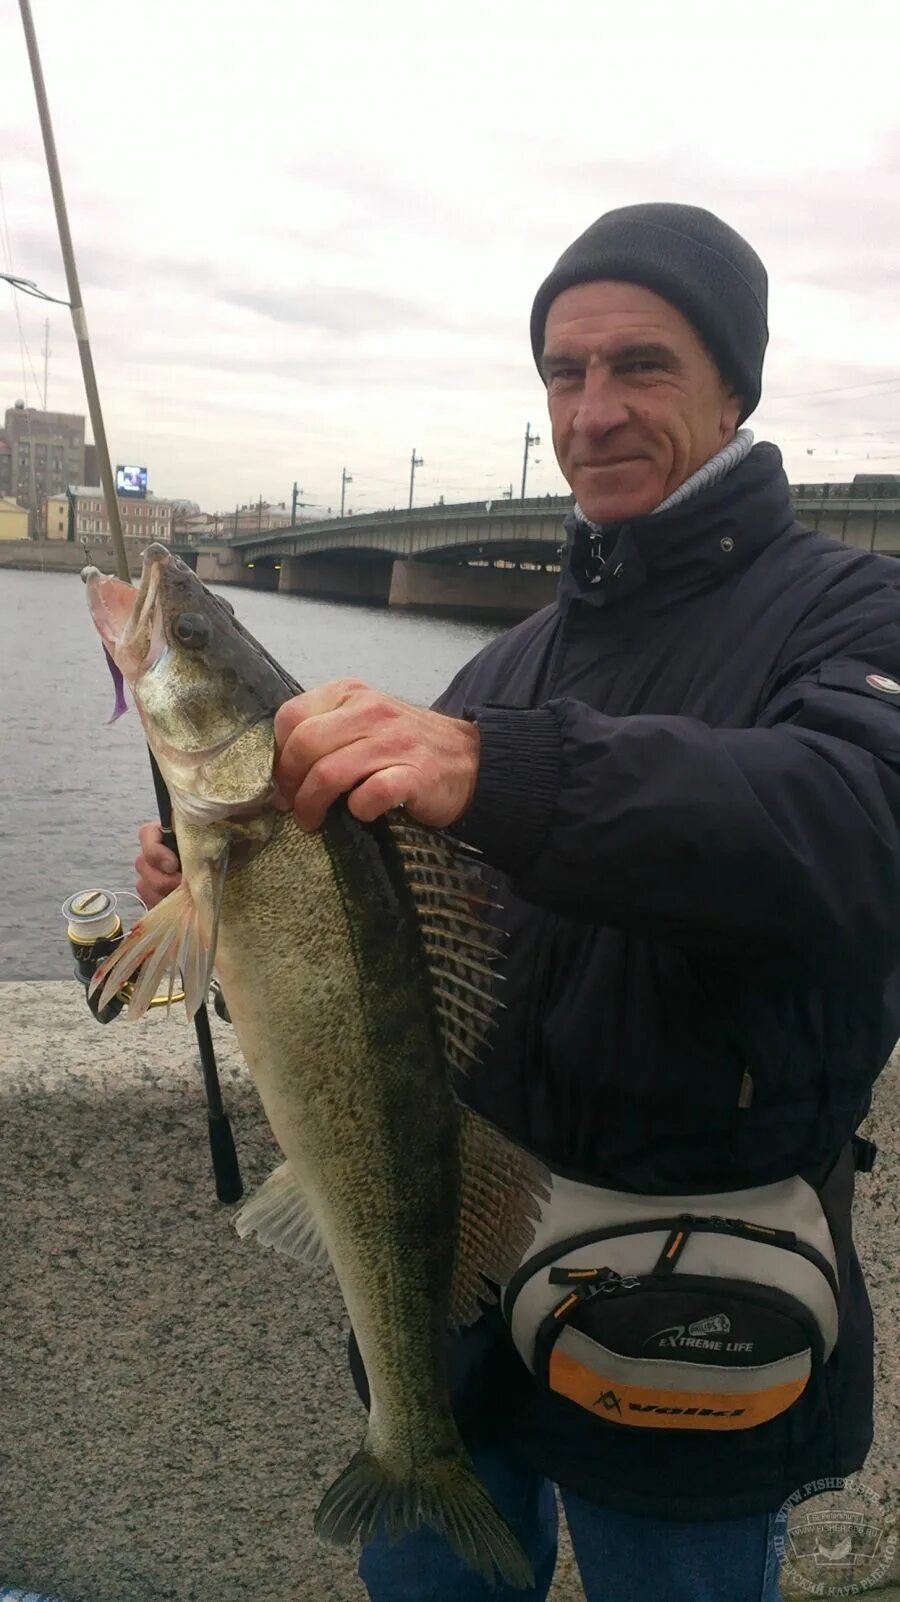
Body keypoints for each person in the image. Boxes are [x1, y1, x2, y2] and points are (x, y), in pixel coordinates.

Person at [136, 203, 900, 1602]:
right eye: (563, 371)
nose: (592, 410)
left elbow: (854, 824)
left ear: (739, 382)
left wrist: (502, 768)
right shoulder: (518, 656)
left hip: (685, 1307)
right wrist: (239, 888)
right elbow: (408, 945)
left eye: (640, 365)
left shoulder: (854, 611)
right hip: (455, 1294)